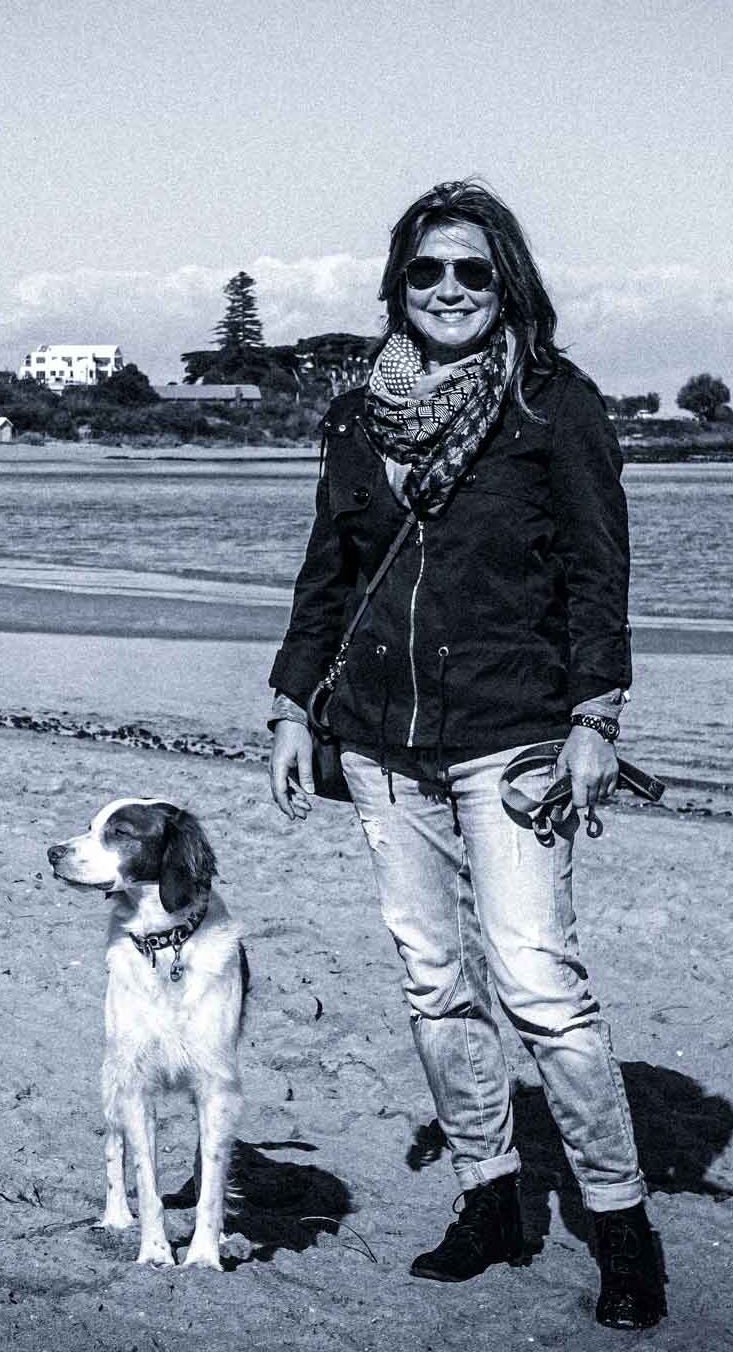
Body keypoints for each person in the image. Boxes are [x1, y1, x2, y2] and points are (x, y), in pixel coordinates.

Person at [267, 180, 665, 1330]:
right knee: (435, 983)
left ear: (509, 284)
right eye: (427, 271)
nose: (448, 289)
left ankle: (621, 1223)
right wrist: (293, 705)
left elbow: (599, 571)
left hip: (516, 738)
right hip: (383, 743)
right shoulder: (356, 418)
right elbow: (330, 572)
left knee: (539, 982)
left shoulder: (555, 405)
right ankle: (489, 1195)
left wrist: (598, 718)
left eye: (472, 272)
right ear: (398, 283)